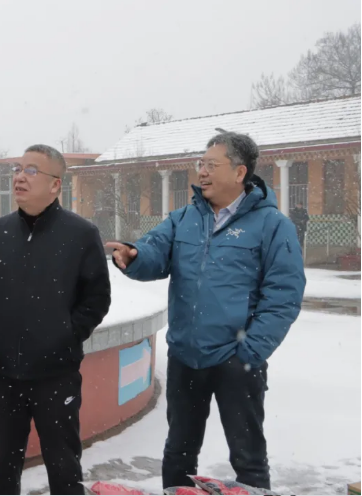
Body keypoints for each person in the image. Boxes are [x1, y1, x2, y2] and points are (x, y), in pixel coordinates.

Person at [108, 132, 305, 491]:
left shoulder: (273, 225)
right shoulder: (184, 217)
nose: (202, 172)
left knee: (247, 457)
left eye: (212, 165)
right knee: (178, 452)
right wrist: (134, 256)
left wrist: (249, 352)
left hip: (237, 361)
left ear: (240, 172)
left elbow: (284, 296)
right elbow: (155, 250)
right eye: (201, 164)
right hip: (186, 356)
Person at [0, 144, 111, 495]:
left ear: (55, 185)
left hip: (56, 375)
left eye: (31, 170)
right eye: (17, 169)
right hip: (3, 375)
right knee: (3, 468)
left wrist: (64, 335)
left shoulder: (81, 234)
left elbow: (96, 299)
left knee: (64, 468)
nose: (20, 177)